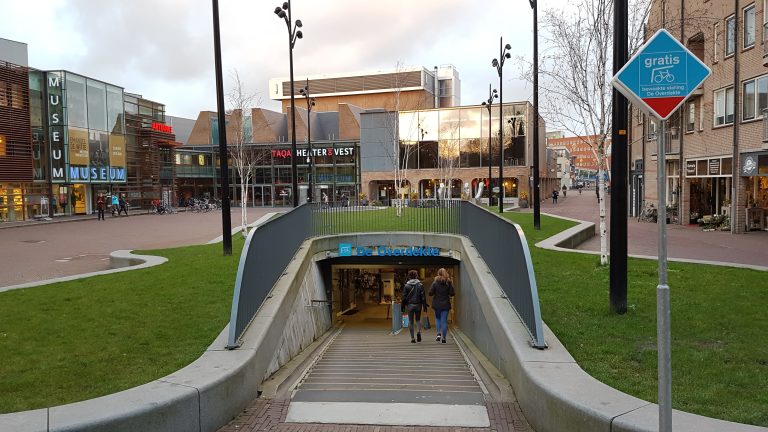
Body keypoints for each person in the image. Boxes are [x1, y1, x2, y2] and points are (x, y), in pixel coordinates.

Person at [428, 268, 455, 344]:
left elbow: (430, 292)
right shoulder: (449, 282)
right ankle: (444, 338)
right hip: (445, 304)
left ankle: (438, 334)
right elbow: (452, 293)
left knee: (437, 319)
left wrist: (435, 292)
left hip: (437, 304)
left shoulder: (435, 282)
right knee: (444, 321)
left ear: (438, 273)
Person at [401, 269, 428, 343]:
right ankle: (418, 332)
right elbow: (423, 297)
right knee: (418, 320)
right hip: (418, 305)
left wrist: (402, 306)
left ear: (409, 276)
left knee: (410, 321)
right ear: (416, 276)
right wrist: (424, 305)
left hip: (410, 305)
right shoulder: (420, 285)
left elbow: (403, 297)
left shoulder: (406, 285)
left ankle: (412, 338)